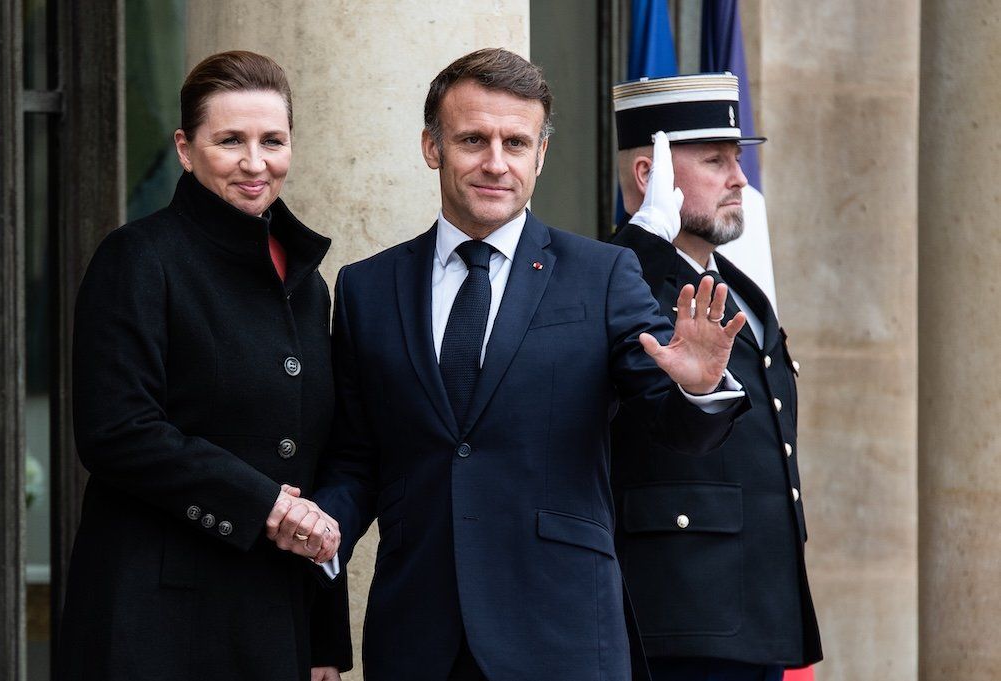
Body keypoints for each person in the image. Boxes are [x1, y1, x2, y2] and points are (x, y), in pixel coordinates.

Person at [275, 48, 748, 681]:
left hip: (562, 633)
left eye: (516, 143)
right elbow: (358, 458)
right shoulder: (367, 289)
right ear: (431, 147)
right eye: (473, 139)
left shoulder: (603, 274)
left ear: (540, 156)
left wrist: (697, 389)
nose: (496, 163)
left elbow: (672, 424)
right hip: (418, 636)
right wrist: (321, 531)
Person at [57, 50, 350, 681]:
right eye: (230, 141)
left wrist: (325, 637)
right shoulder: (138, 257)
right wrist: (265, 505)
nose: (255, 162)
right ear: (186, 149)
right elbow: (116, 430)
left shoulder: (306, 280)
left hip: (273, 617)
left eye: (272, 140)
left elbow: (311, 454)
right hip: (154, 621)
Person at [609, 73, 822, 681]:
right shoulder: (617, 277)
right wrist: (642, 243)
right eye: (715, 161)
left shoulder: (740, 286)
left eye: (738, 159)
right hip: (678, 610)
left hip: (756, 606)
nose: (740, 179)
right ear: (652, 177)